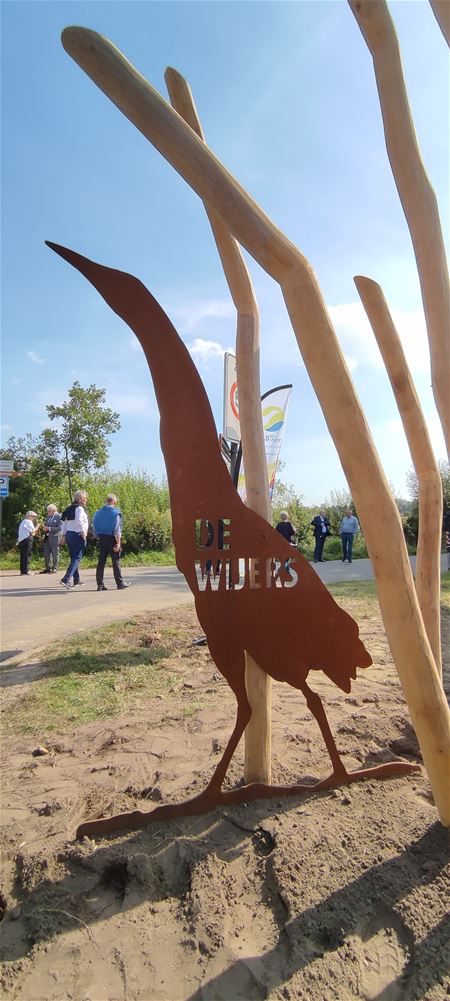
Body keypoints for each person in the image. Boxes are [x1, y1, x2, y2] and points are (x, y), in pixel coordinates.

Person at [92, 493, 130, 591]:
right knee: (116, 562)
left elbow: (94, 527)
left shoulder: (97, 513)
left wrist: (97, 537)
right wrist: (118, 543)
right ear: (113, 502)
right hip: (112, 539)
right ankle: (120, 583)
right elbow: (117, 530)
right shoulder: (115, 513)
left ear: (106, 501)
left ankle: (100, 585)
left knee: (101, 562)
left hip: (101, 538)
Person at [59, 490, 89, 589]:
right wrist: (82, 532)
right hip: (77, 534)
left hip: (69, 534)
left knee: (73, 557)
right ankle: (66, 579)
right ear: (79, 499)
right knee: (77, 558)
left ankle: (77, 580)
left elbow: (64, 523)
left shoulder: (69, 509)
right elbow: (80, 521)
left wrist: (63, 535)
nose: (86, 500)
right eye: (84, 498)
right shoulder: (80, 509)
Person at [275, 511, 297, 576]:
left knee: (283, 558)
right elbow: (293, 532)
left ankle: (286, 571)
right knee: (287, 558)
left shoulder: (278, 525)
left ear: (280, 517)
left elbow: (276, 534)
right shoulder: (289, 524)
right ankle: (283, 571)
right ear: (287, 516)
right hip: (288, 543)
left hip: (281, 543)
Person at [42, 504, 62, 573]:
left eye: (49, 511)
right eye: (47, 511)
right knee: (46, 553)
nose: (47, 513)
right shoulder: (48, 517)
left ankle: (55, 567)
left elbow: (60, 528)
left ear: (53, 510)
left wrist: (49, 528)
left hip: (55, 538)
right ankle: (47, 568)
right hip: (47, 538)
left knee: (55, 554)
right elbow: (46, 525)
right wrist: (45, 527)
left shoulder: (59, 517)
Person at [17, 511, 38, 575]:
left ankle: (23, 570)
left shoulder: (23, 521)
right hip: (27, 539)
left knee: (23, 555)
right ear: (29, 516)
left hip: (21, 540)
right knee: (27, 555)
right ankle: (26, 570)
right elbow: (33, 531)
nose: (34, 518)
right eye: (33, 516)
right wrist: (37, 526)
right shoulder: (28, 521)